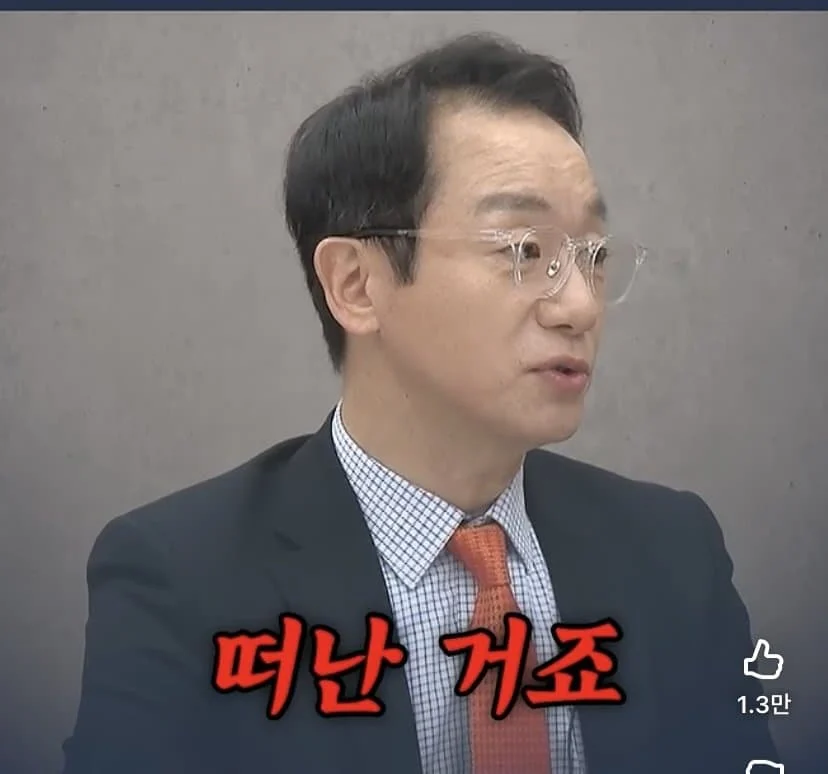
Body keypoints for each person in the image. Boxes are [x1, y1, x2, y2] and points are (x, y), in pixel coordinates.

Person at [62, 33, 778, 774]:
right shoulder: (181, 579)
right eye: (524, 250)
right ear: (356, 285)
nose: (579, 307)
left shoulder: (672, 552)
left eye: (592, 255)